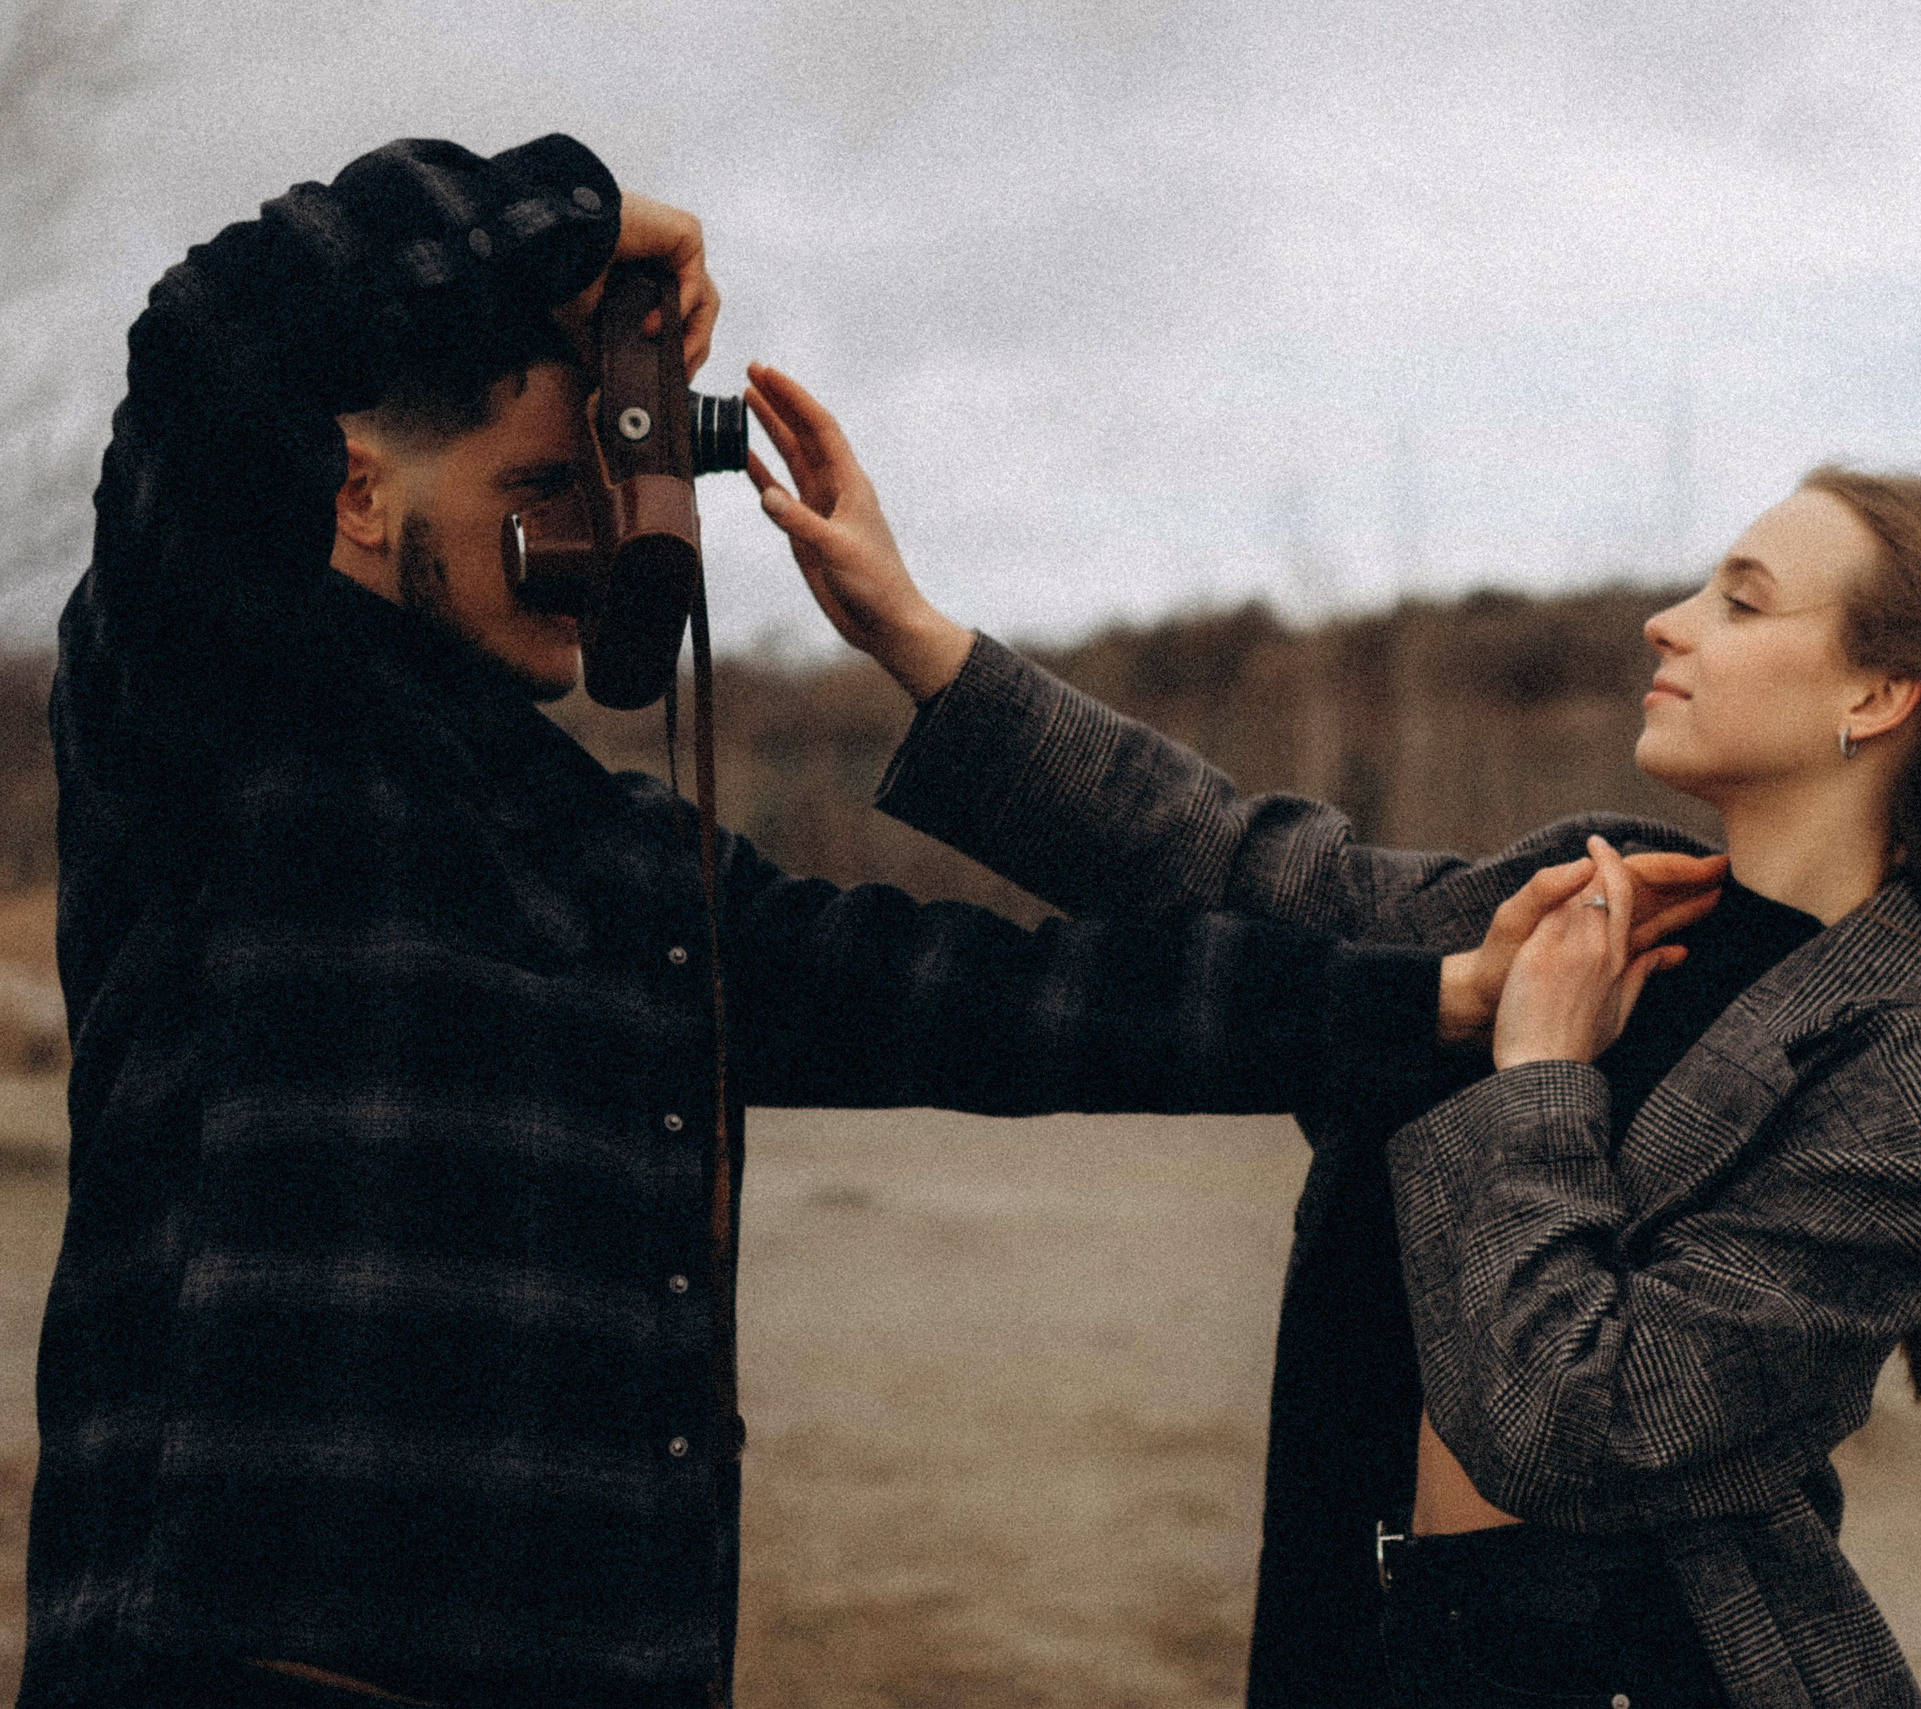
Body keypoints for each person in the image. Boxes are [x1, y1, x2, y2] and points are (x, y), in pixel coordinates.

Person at [27, 136, 1667, 1709]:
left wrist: (1439, 999)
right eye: (539, 484)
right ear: (358, 496)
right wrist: (588, 225)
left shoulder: (607, 849)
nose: (588, 542)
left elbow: (994, 994)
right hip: (242, 1672)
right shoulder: (213, 714)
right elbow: (217, 324)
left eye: (607, 491)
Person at [745, 366, 1921, 1708]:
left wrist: (1535, 1076)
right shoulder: (1588, 900)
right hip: (1351, 1638)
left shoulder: (1899, 1085)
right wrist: (912, 633)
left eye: (1742, 602)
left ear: (1876, 693)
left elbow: (1572, 1420)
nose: (1669, 622)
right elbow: (1245, 873)